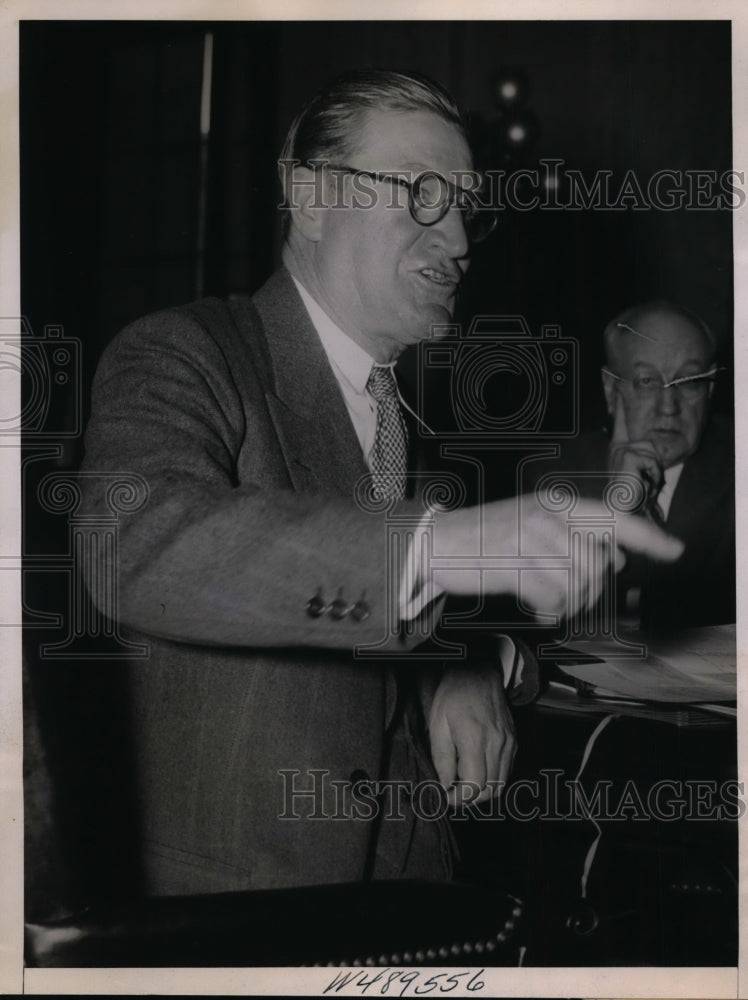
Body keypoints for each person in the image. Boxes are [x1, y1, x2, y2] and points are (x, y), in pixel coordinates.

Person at [79, 69, 681, 896]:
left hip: (409, 910)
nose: (462, 241)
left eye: (469, 206)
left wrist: (464, 666)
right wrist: (438, 549)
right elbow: (132, 547)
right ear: (313, 197)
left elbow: (396, 624)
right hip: (232, 921)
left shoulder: (411, 438)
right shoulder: (184, 354)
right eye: (425, 193)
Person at [528, 300, 733, 628]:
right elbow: (543, 622)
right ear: (611, 389)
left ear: (710, 389)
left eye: (690, 381)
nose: (669, 407)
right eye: (647, 382)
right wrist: (615, 510)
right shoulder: (554, 473)